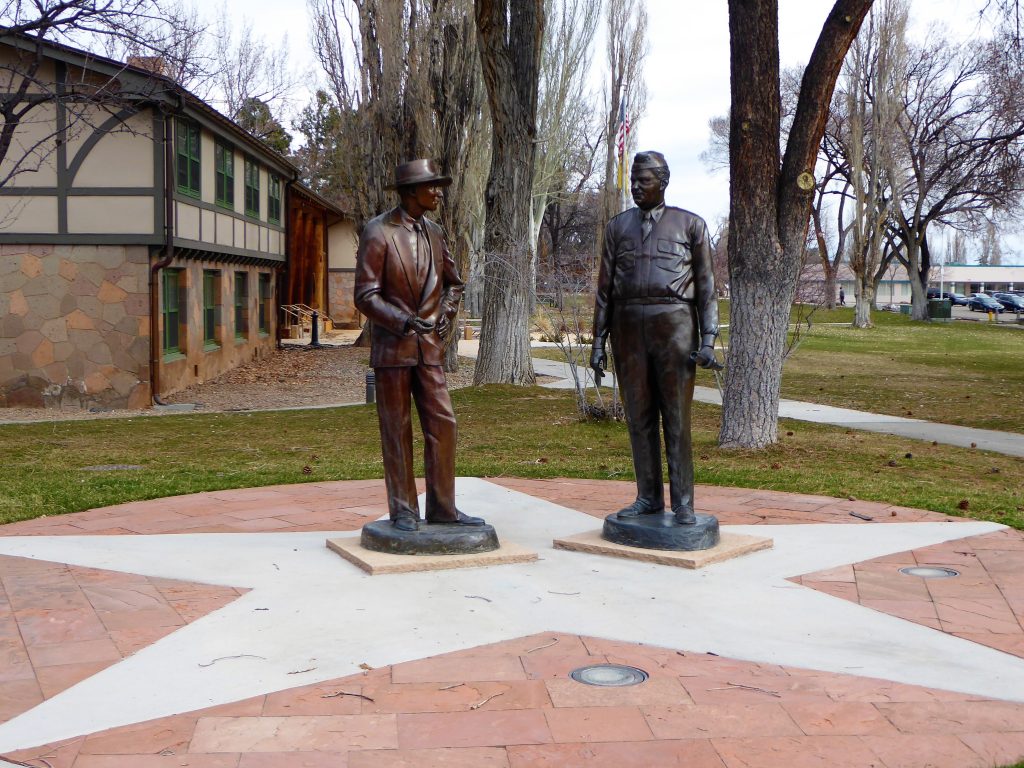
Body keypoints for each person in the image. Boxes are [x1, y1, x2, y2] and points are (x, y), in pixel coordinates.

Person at [354, 159, 484, 532]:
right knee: (396, 429)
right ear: (412, 191)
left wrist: (447, 311)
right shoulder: (378, 232)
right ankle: (404, 510)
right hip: (393, 349)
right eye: (432, 187)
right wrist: (401, 320)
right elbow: (365, 295)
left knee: (444, 424)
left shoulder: (437, 233)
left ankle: (443, 507)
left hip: (429, 348)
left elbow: (454, 283)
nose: (439, 192)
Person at [590, 151, 719, 526]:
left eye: (642, 181)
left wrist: (708, 339)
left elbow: (707, 287)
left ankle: (683, 502)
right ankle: (647, 497)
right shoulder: (617, 228)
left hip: (674, 327)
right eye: (632, 181)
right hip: (628, 327)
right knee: (639, 417)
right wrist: (598, 341)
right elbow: (603, 290)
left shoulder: (690, 225)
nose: (635, 188)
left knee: (676, 418)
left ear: (662, 182)